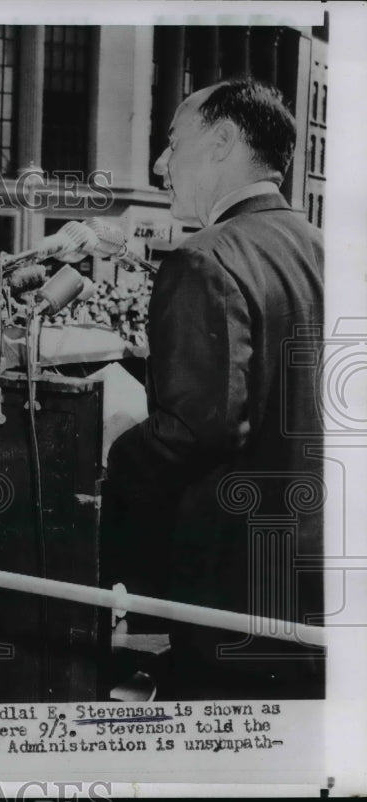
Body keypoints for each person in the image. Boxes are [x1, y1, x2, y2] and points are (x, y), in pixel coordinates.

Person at [104, 79, 324, 700]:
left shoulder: (204, 259)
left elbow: (198, 429)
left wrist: (116, 454)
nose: (159, 164)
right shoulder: (323, 250)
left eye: (173, 143)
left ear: (224, 142)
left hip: (234, 593)